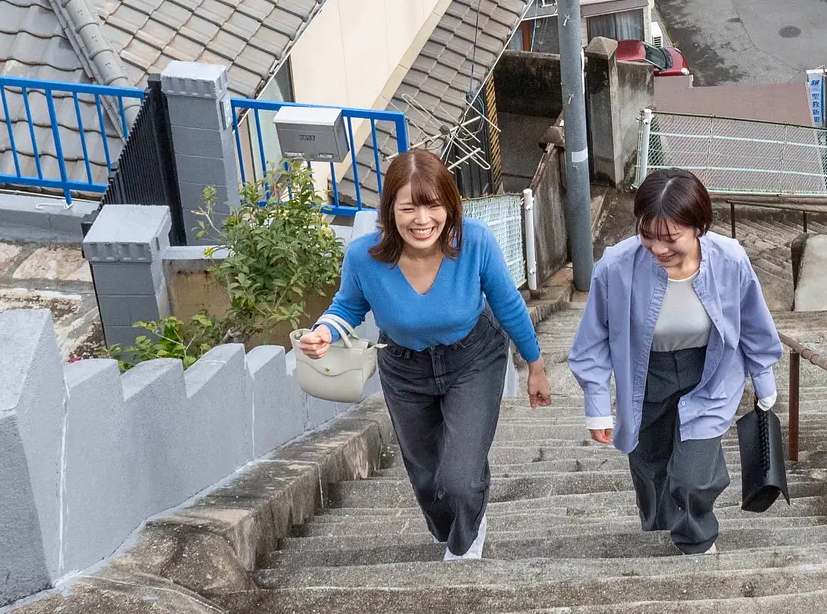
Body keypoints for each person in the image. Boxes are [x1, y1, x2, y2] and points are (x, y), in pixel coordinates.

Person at [294, 150, 546, 561]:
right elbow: (348, 306)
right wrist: (323, 331)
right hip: (405, 369)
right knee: (428, 481)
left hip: (473, 359)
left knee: (460, 477)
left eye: (432, 206)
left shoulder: (475, 241)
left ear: (449, 204)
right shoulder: (364, 257)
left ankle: (465, 541)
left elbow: (508, 305)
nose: (421, 220)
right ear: (390, 210)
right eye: (408, 207)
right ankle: (456, 525)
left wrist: (535, 365)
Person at [567, 169, 781, 556]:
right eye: (647, 236)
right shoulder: (616, 266)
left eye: (670, 239)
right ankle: (660, 528)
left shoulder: (729, 259)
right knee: (650, 468)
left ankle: (695, 539)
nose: (658, 249)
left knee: (692, 475)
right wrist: (597, 405)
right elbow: (592, 339)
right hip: (644, 376)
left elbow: (753, 322)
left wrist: (763, 380)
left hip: (710, 374)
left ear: (699, 226)